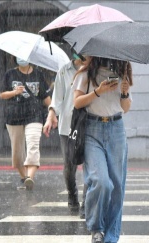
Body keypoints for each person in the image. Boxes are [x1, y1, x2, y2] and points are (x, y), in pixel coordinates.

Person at [72, 56, 132, 243]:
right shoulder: (86, 73)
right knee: (101, 181)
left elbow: (126, 108)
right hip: (92, 129)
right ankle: (96, 227)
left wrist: (124, 93)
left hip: (116, 129)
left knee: (117, 186)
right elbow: (77, 102)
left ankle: (111, 235)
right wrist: (98, 91)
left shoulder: (123, 72)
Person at [43, 54, 90, 217]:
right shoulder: (64, 71)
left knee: (89, 166)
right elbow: (57, 100)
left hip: (89, 124)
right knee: (70, 166)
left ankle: (87, 203)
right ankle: (72, 196)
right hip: (67, 127)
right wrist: (51, 115)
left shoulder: (94, 69)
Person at [0, 57, 51, 190]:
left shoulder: (38, 74)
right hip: (14, 116)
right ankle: (23, 177)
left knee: (33, 144)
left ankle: (30, 178)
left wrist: (53, 112)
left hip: (34, 115)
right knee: (17, 152)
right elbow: (2, 95)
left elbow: (45, 97)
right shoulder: (10, 74)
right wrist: (14, 92)